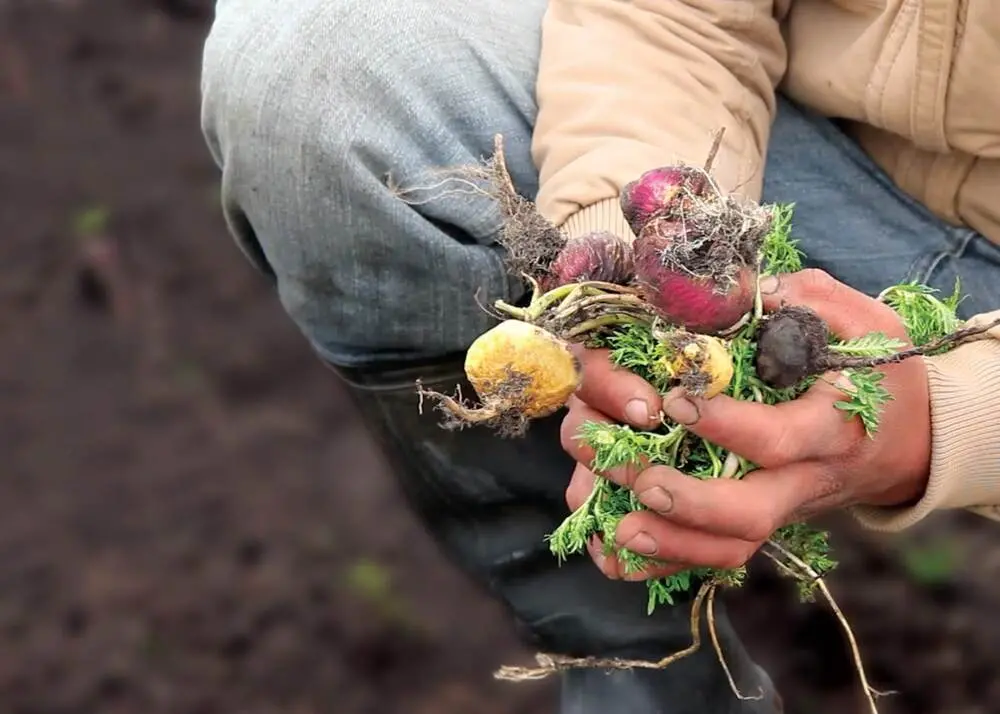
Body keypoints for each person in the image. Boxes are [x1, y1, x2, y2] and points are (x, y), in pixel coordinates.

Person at [199, 1, 1000, 712]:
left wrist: (952, 421)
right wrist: (631, 257)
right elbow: (678, 15)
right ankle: (646, 666)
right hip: (805, 177)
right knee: (315, 59)